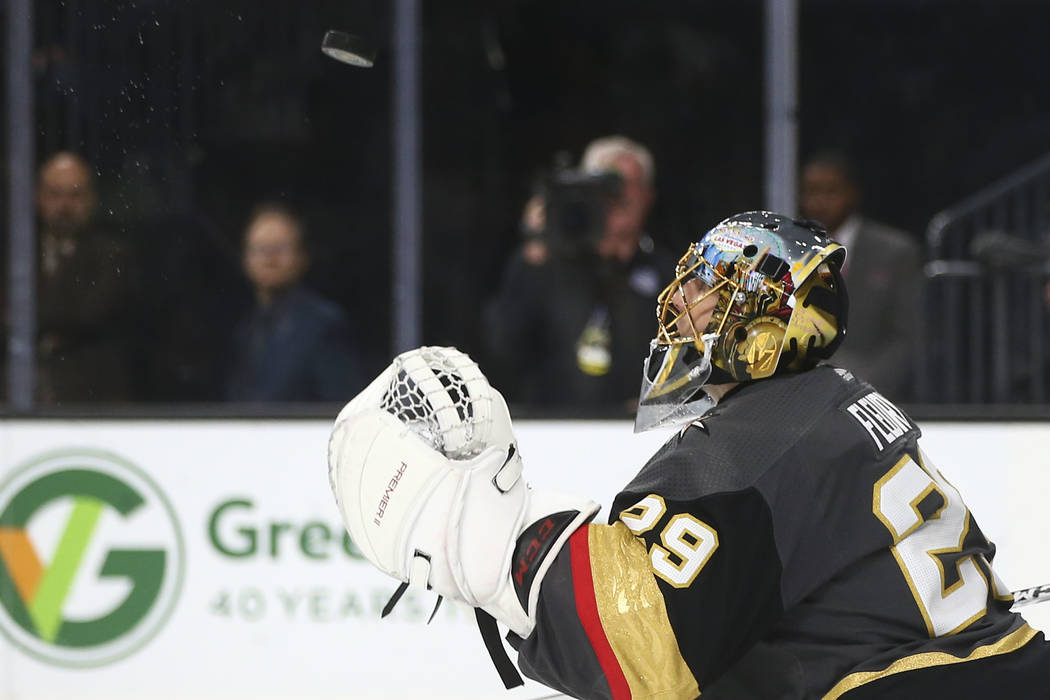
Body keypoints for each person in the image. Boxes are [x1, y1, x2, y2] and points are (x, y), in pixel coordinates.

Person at [329, 211, 1050, 699]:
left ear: (769, 315)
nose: (682, 299)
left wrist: (476, 543)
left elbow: (635, 644)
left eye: (710, 285)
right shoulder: (838, 401)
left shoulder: (756, 443)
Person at [482, 135, 675, 412]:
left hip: (638, 437)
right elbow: (503, 349)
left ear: (648, 195)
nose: (619, 197)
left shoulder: (667, 275)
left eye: (627, 185)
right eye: (607, 186)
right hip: (555, 433)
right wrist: (533, 251)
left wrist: (659, 402)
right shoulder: (547, 267)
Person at [799, 151, 923, 402]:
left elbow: (906, 338)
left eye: (831, 191)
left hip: (874, 394)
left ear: (852, 193)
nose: (820, 201)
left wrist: (863, 389)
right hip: (800, 396)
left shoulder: (895, 252)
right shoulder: (789, 250)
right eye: (811, 191)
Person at [224, 203, 363, 402]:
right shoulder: (244, 327)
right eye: (260, 249)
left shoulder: (323, 324)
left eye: (280, 249)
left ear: (302, 257)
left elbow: (342, 405)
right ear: (245, 259)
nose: (270, 259)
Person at [33, 151, 135, 403]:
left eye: (75, 195)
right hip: (20, 397)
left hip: (93, 397)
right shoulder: (15, 255)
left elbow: (89, 315)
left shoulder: (113, 254)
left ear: (92, 200)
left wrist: (27, 323)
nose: (64, 206)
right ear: (38, 197)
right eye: (55, 194)